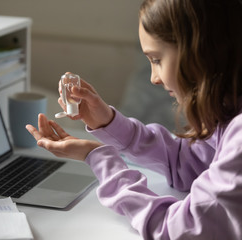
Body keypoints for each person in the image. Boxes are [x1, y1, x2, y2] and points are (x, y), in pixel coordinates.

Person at [26, 0, 242, 239]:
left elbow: (176, 230)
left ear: (200, 52)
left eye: (157, 60)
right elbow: (189, 163)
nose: (154, 78)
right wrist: (107, 122)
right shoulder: (228, 111)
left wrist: (99, 158)